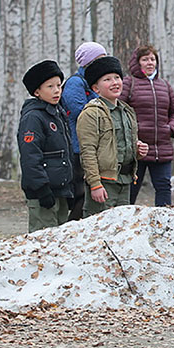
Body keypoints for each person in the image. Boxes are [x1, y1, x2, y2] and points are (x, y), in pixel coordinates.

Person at [76, 56, 149, 217]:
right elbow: (88, 151)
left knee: (121, 232)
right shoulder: (91, 113)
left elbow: (121, 146)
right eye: (107, 80)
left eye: (117, 77)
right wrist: (95, 184)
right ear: (96, 88)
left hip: (125, 181)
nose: (115, 83)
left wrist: (138, 150)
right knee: (99, 233)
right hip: (103, 183)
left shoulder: (127, 111)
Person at [119, 44, 174, 207]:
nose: (149, 63)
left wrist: (170, 129)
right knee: (131, 190)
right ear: (137, 63)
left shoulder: (165, 85)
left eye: (152, 59)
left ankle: (164, 224)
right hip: (136, 149)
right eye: (145, 59)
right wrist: (133, 135)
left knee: (164, 187)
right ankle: (125, 225)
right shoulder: (128, 83)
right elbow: (119, 110)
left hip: (162, 147)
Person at [17, 60, 74, 233]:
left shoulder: (58, 113)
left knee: (60, 240)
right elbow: (30, 156)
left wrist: (69, 188)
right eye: (50, 86)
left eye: (59, 85)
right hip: (43, 192)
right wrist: (41, 189)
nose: (57, 90)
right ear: (37, 92)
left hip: (60, 190)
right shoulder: (33, 117)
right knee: (42, 242)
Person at [61, 42, 107, 221]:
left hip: (92, 146)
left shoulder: (92, 83)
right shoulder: (76, 83)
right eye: (99, 59)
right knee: (80, 194)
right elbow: (81, 113)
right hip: (77, 146)